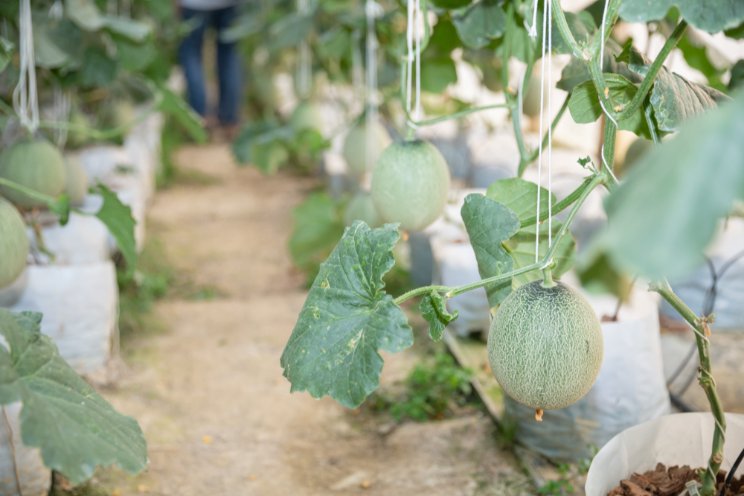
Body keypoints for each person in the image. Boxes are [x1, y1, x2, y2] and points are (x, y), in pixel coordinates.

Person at [176, 0, 242, 139]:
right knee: (229, 54)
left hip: (194, 4)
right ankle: (230, 121)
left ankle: (199, 118)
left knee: (191, 53)